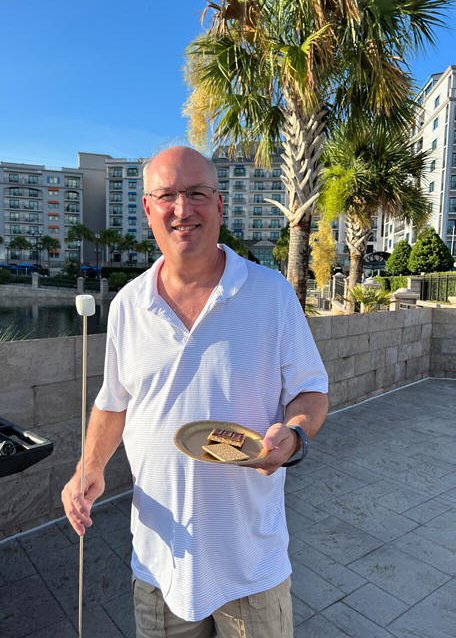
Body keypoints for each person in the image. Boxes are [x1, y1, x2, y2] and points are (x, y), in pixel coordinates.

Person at [62, 146, 328, 638]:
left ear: (219, 205)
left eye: (197, 193)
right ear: (148, 209)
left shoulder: (270, 292)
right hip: (160, 562)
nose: (182, 208)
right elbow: (113, 403)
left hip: (251, 565)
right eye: (167, 195)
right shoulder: (127, 305)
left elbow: (311, 391)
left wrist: (293, 436)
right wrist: (89, 467)